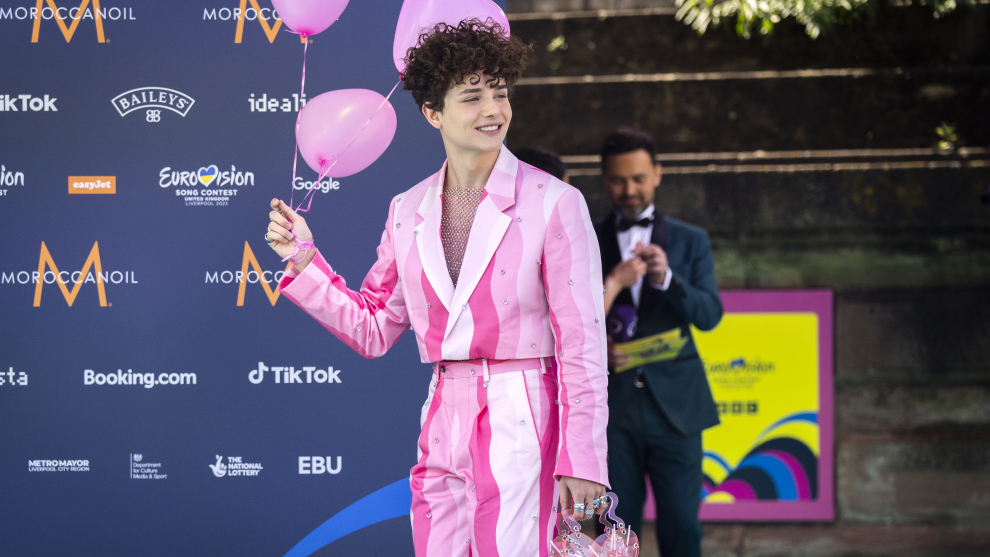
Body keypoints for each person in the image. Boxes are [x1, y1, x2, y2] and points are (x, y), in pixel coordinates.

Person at [263, 20, 609, 557]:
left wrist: (583, 459)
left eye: (500, 92)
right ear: (432, 113)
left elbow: (582, 345)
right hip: (442, 418)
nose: (493, 110)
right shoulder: (407, 209)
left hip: (525, 417)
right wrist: (303, 259)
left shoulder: (555, 202)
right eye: (472, 97)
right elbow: (374, 327)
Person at [594, 129, 722, 557]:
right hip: (611, 411)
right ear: (604, 179)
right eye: (618, 180)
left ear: (658, 175)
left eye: (639, 178)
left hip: (677, 409)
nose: (629, 190)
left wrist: (668, 280)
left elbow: (710, 316)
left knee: (682, 526)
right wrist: (612, 285)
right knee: (615, 531)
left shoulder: (691, 240)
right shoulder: (584, 238)